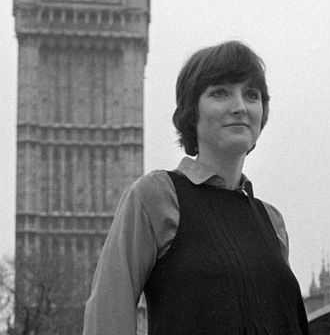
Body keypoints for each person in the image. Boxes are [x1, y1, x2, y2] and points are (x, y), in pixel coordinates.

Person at [83, 41, 310, 335]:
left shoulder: (272, 221)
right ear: (192, 111)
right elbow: (108, 315)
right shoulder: (157, 195)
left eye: (251, 95)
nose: (240, 106)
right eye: (220, 93)